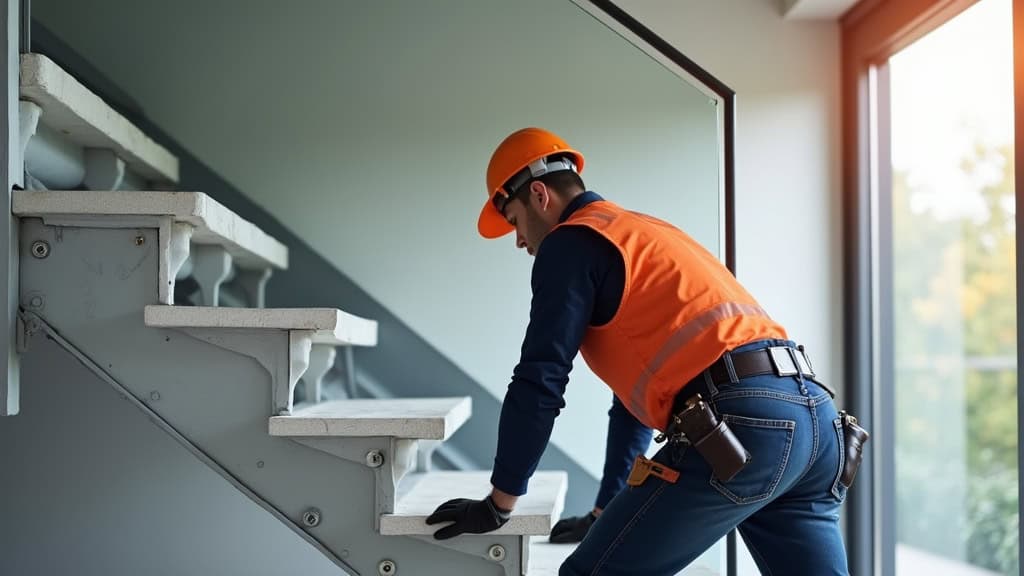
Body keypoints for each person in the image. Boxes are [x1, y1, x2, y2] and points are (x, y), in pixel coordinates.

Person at [425, 127, 857, 575]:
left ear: (539, 195)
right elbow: (633, 406)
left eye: (514, 221)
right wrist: (604, 511)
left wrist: (499, 503)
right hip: (817, 425)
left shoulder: (570, 243)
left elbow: (540, 379)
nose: (519, 241)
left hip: (745, 423)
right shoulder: (644, 231)